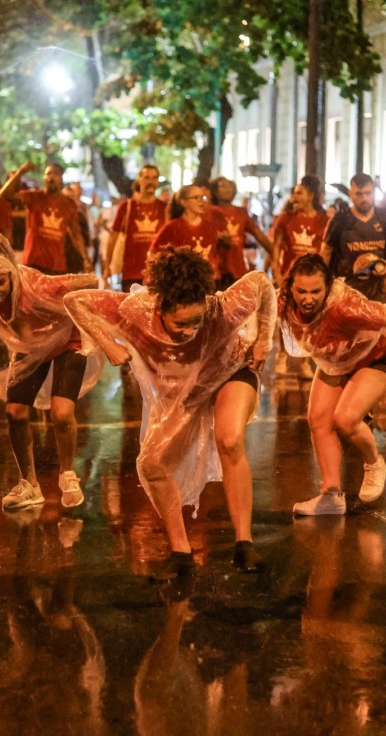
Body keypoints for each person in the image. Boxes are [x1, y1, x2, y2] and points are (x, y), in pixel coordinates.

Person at [64, 247, 277, 579]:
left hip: (229, 372)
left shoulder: (222, 308)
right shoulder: (136, 311)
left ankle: (244, 543)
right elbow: (75, 301)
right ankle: (180, 552)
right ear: (160, 307)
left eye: (197, 321)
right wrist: (108, 344)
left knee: (230, 438)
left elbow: (262, 283)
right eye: (182, 323)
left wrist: (263, 339)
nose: (190, 330)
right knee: (152, 464)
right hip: (186, 392)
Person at [282, 255, 386, 515]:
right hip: (336, 361)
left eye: (316, 291)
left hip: (376, 357)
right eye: (301, 291)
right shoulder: (283, 301)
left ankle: (374, 463)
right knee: (318, 419)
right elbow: (254, 305)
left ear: (327, 286)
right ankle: (331, 496)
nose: (307, 299)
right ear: (290, 287)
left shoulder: (346, 307)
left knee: (346, 419)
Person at [0, 231, 101, 510]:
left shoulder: (37, 284)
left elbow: (90, 281)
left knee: (61, 412)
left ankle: (67, 475)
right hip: (30, 346)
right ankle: (29, 484)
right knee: (15, 412)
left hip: (66, 339)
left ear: (12, 275)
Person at [1, 161, 91, 275]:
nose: (51, 177)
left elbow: (76, 234)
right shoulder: (34, 197)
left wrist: (86, 259)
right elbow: (4, 195)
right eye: (48, 174)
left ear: (62, 178)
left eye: (55, 174)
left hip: (57, 266)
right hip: (33, 263)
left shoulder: (69, 204)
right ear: (44, 178)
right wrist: (21, 171)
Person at [321, 173, 386, 302]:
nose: (364, 198)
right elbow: (326, 252)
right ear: (351, 194)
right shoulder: (340, 220)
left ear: (373, 193)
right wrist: (325, 281)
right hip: (347, 289)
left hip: (378, 289)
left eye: (368, 193)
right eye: (359, 194)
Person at [107, 164, 167, 291]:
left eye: (154, 178)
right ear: (139, 180)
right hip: (131, 274)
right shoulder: (126, 207)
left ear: (157, 182)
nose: (150, 181)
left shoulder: (165, 208)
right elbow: (113, 237)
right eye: (146, 177)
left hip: (159, 275)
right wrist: (107, 266)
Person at [149, 184, 225, 280]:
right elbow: (153, 253)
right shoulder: (172, 227)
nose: (201, 201)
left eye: (202, 197)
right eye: (196, 198)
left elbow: (214, 255)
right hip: (184, 284)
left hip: (208, 281)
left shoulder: (210, 227)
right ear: (184, 202)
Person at [209, 176, 273, 285]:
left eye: (230, 186)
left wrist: (273, 252)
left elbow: (257, 233)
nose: (228, 189)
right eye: (223, 187)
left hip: (238, 269)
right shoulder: (210, 212)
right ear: (215, 191)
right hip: (218, 270)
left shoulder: (241, 212)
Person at [272, 182, 328, 282]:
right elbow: (276, 246)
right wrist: (277, 274)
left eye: (299, 193)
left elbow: (327, 251)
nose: (294, 196)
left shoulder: (324, 221)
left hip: (315, 277)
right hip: (289, 277)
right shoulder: (285, 218)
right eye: (293, 193)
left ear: (310, 196)